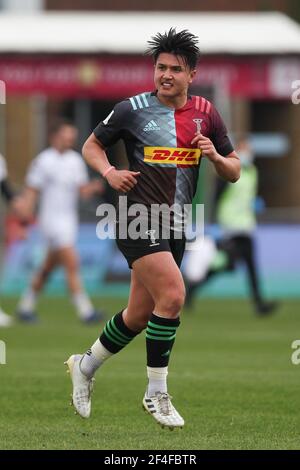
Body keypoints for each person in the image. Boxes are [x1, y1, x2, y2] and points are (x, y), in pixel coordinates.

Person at [64, 29, 240, 429]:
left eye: (175, 69)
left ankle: (84, 366)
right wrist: (109, 171)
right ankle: (156, 393)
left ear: (191, 74)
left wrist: (214, 156)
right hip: (136, 218)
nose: (166, 75)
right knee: (175, 295)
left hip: (176, 224)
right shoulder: (131, 109)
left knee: (140, 314)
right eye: (161, 67)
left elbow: (234, 170)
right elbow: (92, 146)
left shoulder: (206, 113)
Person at [16, 120, 105, 323]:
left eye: (72, 137)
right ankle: (86, 311)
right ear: (55, 137)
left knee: (47, 267)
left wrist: (93, 187)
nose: (69, 140)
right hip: (51, 222)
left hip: (68, 221)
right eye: (66, 136)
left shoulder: (75, 160)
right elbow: (31, 193)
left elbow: (82, 192)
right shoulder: (43, 161)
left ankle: (25, 307)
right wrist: (23, 223)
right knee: (72, 264)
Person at [185, 137, 278, 315]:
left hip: (246, 226)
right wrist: (212, 222)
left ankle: (259, 304)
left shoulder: (253, 173)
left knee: (245, 265)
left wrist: (254, 205)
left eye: (249, 149)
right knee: (228, 264)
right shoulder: (229, 172)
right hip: (229, 227)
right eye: (244, 149)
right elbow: (216, 196)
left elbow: (248, 197)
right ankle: (192, 290)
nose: (247, 154)